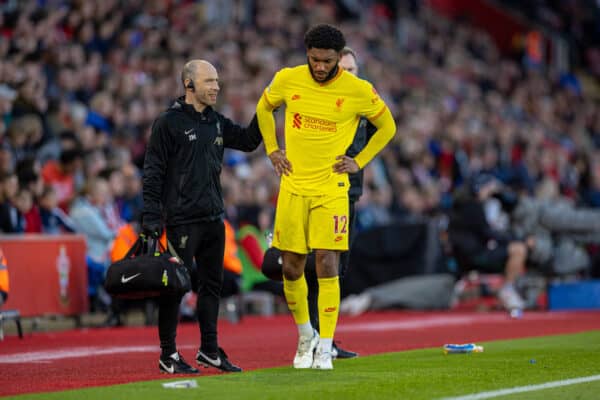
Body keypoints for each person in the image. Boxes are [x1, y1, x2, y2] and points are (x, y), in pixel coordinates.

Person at [256, 25, 396, 370]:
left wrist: (358, 161)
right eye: (315, 60)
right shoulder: (288, 79)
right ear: (307, 54)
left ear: (339, 57)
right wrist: (273, 150)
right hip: (292, 185)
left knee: (327, 263)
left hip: (332, 188)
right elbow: (264, 107)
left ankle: (326, 346)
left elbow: (388, 126)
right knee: (290, 266)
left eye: (328, 61)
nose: (320, 67)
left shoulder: (358, 89)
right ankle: (306, 337)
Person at [142, 59, 262, 374]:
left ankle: (209, 349)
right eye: (209, 81)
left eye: (217, 81)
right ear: (189, 84)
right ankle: (168, 354)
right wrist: (151, 215)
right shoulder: (168, 123)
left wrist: (266, 107)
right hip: (181, 219)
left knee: (212, 286)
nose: (216, 87)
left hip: (213, 218)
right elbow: (153, 171)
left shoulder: (216, 122)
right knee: (176, 288)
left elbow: (249, 142)